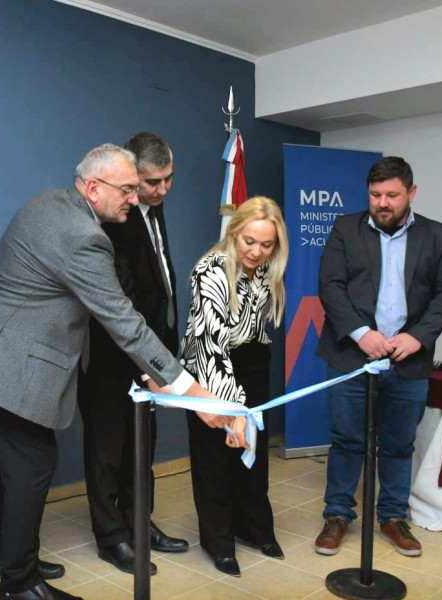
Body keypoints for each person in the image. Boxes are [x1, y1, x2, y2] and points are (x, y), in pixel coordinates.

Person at [0, 144, 228, 600]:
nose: (135, 200)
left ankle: (6, 556)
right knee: (32, 466)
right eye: (129, 190)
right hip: (6, 360)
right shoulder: (83, 236)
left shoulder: (49, 202)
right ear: (94, 188)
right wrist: (190, 390)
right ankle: (19, 585)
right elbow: (124, 321)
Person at [313, 156, 442, 558]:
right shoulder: (345, 228)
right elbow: (330, 286)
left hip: (408, 361)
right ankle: (338, 515)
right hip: (351, 357)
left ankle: (393, 517)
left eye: (392, 195)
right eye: (376, 195)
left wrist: (418, 337)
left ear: (411, 193)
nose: (383, 202)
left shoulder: (437, 235)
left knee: (398, 443)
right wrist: (362, 334)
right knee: (347, 440)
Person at [77, 133, 189, 576]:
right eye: (150, 182)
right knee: (107, 449)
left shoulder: (153, 210)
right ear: (129, 177)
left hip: (150, 357)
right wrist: (150, 361)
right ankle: (112, 537)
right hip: (110, 357)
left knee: (142, 446)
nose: (161, 190)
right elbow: (119, 301)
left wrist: (160, 357)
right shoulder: (112, 217)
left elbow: (158, 284)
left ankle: (140, 524)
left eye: (168, 180)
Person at [179, 196, 289, 577]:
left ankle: (254, 527)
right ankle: (219, 540)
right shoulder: (210, 270)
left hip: (254, 362)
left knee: (253, 453)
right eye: (249, 241)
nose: (256, 252)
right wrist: (234, 411)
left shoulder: (266, 268)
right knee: (215, 460)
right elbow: (211, 345)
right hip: (211, 368)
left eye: (266, 244)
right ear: (234, 233)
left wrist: (248, 413)